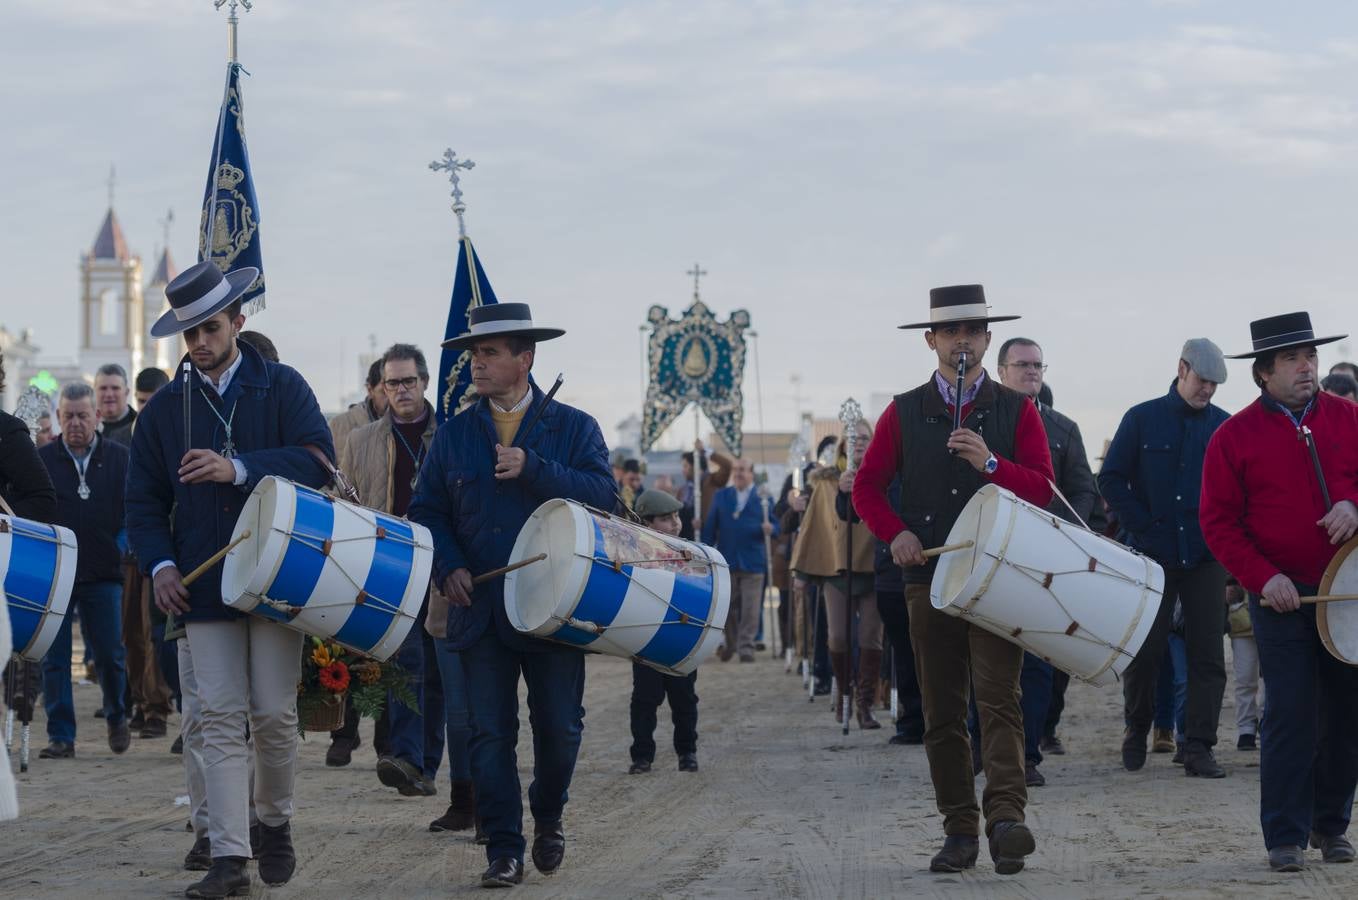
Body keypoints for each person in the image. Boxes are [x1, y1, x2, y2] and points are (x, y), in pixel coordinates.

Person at [127, 261, 334, 896]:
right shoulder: (164, 410)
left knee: (272, 715)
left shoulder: (283, 385)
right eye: (188, 334)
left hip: (277, 578)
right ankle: (227, 856)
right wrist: (160, 566)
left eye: (209, 328)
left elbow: (320, 462)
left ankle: (274, 822)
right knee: (213, 717)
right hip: (202, 584)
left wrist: (237, 468)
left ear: (239, 322)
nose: (198, 343)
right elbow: (141, 501)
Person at [409, 302, 614, 888]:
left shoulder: (573, 428)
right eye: (474, 353)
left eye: (490, 352)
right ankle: (503, 847)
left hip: (555, 610)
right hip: (480, 613)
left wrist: (535, 467)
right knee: (487, 735)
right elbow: (427, 511)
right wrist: (447, 565)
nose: (477, 363)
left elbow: (601, 497)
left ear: (525, 358)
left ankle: (548, 813)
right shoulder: (452, 436)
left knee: (560, 728)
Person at [853, 285, 1053, 876]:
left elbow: (1044, 487)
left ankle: (1006, 819)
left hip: (1000, 576)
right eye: (951, 331)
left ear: (988, 339)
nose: (962, 340)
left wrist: (990, 464)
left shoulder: (1017, 412)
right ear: (932, 340)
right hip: (930, 577)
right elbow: (867, 487)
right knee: (941, 711)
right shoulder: (903, 409)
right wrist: (896, 535)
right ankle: (960, 828)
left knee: (1000, 700)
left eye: (974, 330)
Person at [1201, 311, 1358, 872]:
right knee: (1289, 713)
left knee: (1345, 713)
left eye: (1310, 357)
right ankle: (1284, 836)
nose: (1306, 367)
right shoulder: (1232, 437)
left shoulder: (1349, 418)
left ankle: (1331, 824)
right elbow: (1218, 522)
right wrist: (1262, 577)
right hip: (1280, 598)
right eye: (1292, 359)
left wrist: (1354, 506)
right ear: (1263, 373)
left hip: (1347, 596)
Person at [1099, 338, 1231, 778]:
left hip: (1205, 554)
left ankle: (1198, 746)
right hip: (1151, 556)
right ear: (1181, 369)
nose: (1208, 390)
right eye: (1202, 380)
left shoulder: (1224, 428)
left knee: (1208, 654)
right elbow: (1112, 479)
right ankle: (1137, 729)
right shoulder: (1141, 419)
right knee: (1145, 649)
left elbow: (1236, 493)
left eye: (1214, 384)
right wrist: (1144, 527)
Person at [995, 337, 1097, 785]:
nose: (1032, 371)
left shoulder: (1063, 429)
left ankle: (1029, 754)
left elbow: (1083, 488)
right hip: (994, 555)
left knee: (1039, 662)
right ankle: (985, 746)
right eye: (1022, 364)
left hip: (1047, 558)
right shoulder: (981, 422)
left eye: (1038, 365)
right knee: (988, 659)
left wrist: (1065, 528)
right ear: (1001, 370)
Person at [37, 382, 132, 759]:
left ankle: (116, 714)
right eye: (68, 416)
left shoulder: (120, 458)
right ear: (59, 419)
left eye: (82, 415)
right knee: (55, 658)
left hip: (103, 570)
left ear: (96, 416)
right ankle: (61, 735)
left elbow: (132, 508)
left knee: (109, 654)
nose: (76, 422)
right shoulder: (43, 461)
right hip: (57, 575)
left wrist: (121, 544)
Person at [626, 488, 702, 775]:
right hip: (646, 639)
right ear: (647, 524)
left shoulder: (691, 554)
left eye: (676, 517)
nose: (676, 523)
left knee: (684, 698)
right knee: (645, 699)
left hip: (681, 639)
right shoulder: (634, 558)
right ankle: (642, 756)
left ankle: (687, 752)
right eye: (667, 519)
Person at [702, 458, 777, 663]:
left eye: (742, 470)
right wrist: (706, 553)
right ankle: (731, 642)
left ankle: (746, 647)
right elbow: (710, 527)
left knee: (751, 609)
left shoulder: (764, 497)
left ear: (751, 473)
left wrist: (772, 529)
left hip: (753, 561)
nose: (738, 473)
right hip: (727, 560)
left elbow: (775, 523)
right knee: (728, 608)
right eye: (735, 470)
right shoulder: (722, 495)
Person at [1224, 576, 1264, 751]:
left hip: (1270, 610)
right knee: (1245, 677)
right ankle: (1246, 728)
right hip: (1240, 618)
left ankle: (1266, 720)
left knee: (1271, 677)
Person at [329, 358, 387, 456]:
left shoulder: (415, 425)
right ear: (370, 390)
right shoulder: (338, 426)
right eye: (384, 392)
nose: (393, 397)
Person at [678, 440, 731, 541]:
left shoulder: (713, 481)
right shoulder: (683, 490)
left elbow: (727, 466)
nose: (683, 470)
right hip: (687, 539)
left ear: (696, 466)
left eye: (685, 466)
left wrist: (704, 451)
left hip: (708, 538)